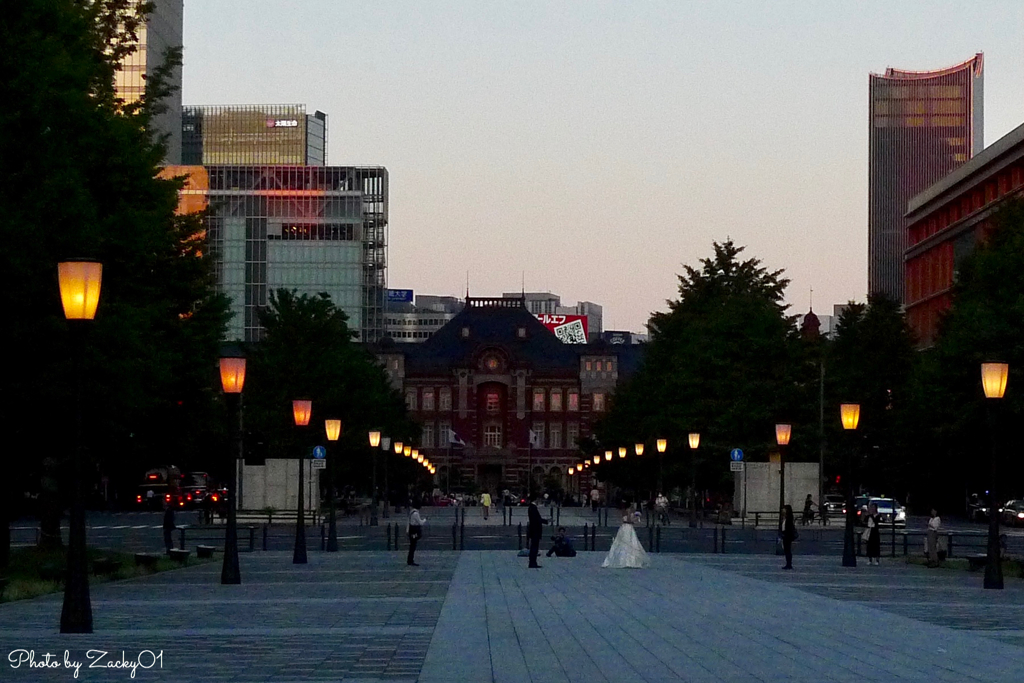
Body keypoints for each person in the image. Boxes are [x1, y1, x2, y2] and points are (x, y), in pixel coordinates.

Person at [602, 504, 650, 568]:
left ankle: (625, 560)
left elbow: (626, 520)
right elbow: (629, 520)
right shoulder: (629, 512)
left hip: (624, 527)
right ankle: (628, 561)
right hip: (628, 527)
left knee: (626, 542)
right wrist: (636, 517)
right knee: (629, 542)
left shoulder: (624, 512)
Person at [526, 494, 549, 568]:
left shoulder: (532, 507)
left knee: (534, 546)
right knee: (534, 547)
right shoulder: (533, 508)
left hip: (533, 530)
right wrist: (546, 521)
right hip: (535, 530)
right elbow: (536, 519)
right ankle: (532, 562)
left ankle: (533, 562)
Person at [407, 501, 426, 566]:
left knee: (412, 545)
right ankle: (410, 560)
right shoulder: (416, 514)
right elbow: (420, 522)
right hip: (414, 531)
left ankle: (410, 560)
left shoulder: (411, 512)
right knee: (413, 545)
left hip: (411, 530)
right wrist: (424, 520)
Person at [780, 504, 797, 569]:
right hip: (785, 535)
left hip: (787, 536)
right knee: (786, 550)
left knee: (787, 550)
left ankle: (789, 564)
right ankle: (788, 563)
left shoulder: (789, 518)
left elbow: (789, 527)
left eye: (784, 509)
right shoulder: (785, 517)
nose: (782, 510)